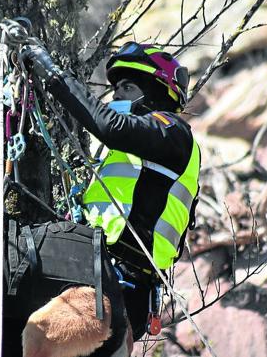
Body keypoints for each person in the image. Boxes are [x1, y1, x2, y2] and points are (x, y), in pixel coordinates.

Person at [20, 41, 201, 341]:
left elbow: (110, 126)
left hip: (123, 281)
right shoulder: (134, 153)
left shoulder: (173, 133)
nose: (116, 95)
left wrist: (51, 74)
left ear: (156, 92)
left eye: (127, 88)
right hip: (96, 270)